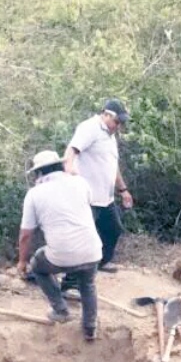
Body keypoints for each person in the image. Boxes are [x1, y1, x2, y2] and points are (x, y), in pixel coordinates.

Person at [17, 149, 101, 342]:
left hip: (61, 255)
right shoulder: (80, 182)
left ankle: (61, 310)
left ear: (39, 172)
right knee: (87, 284)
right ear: (60, 165)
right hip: (91, 250)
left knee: (37, 266)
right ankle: (90, 328)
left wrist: (22, 261)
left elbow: (26, 234)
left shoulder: (34, 194)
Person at [64, 99, 133, 273]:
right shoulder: (90, 128)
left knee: (114, 229)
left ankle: (102, 262)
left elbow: (112, 165)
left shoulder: (110, 135)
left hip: (105, 198)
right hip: (87, 197)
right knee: (82, 238)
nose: (118, 126)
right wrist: (69, 168)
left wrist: (123, 190)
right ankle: (71, 277)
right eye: (117, 121)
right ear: (106, 115)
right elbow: (72, 150)